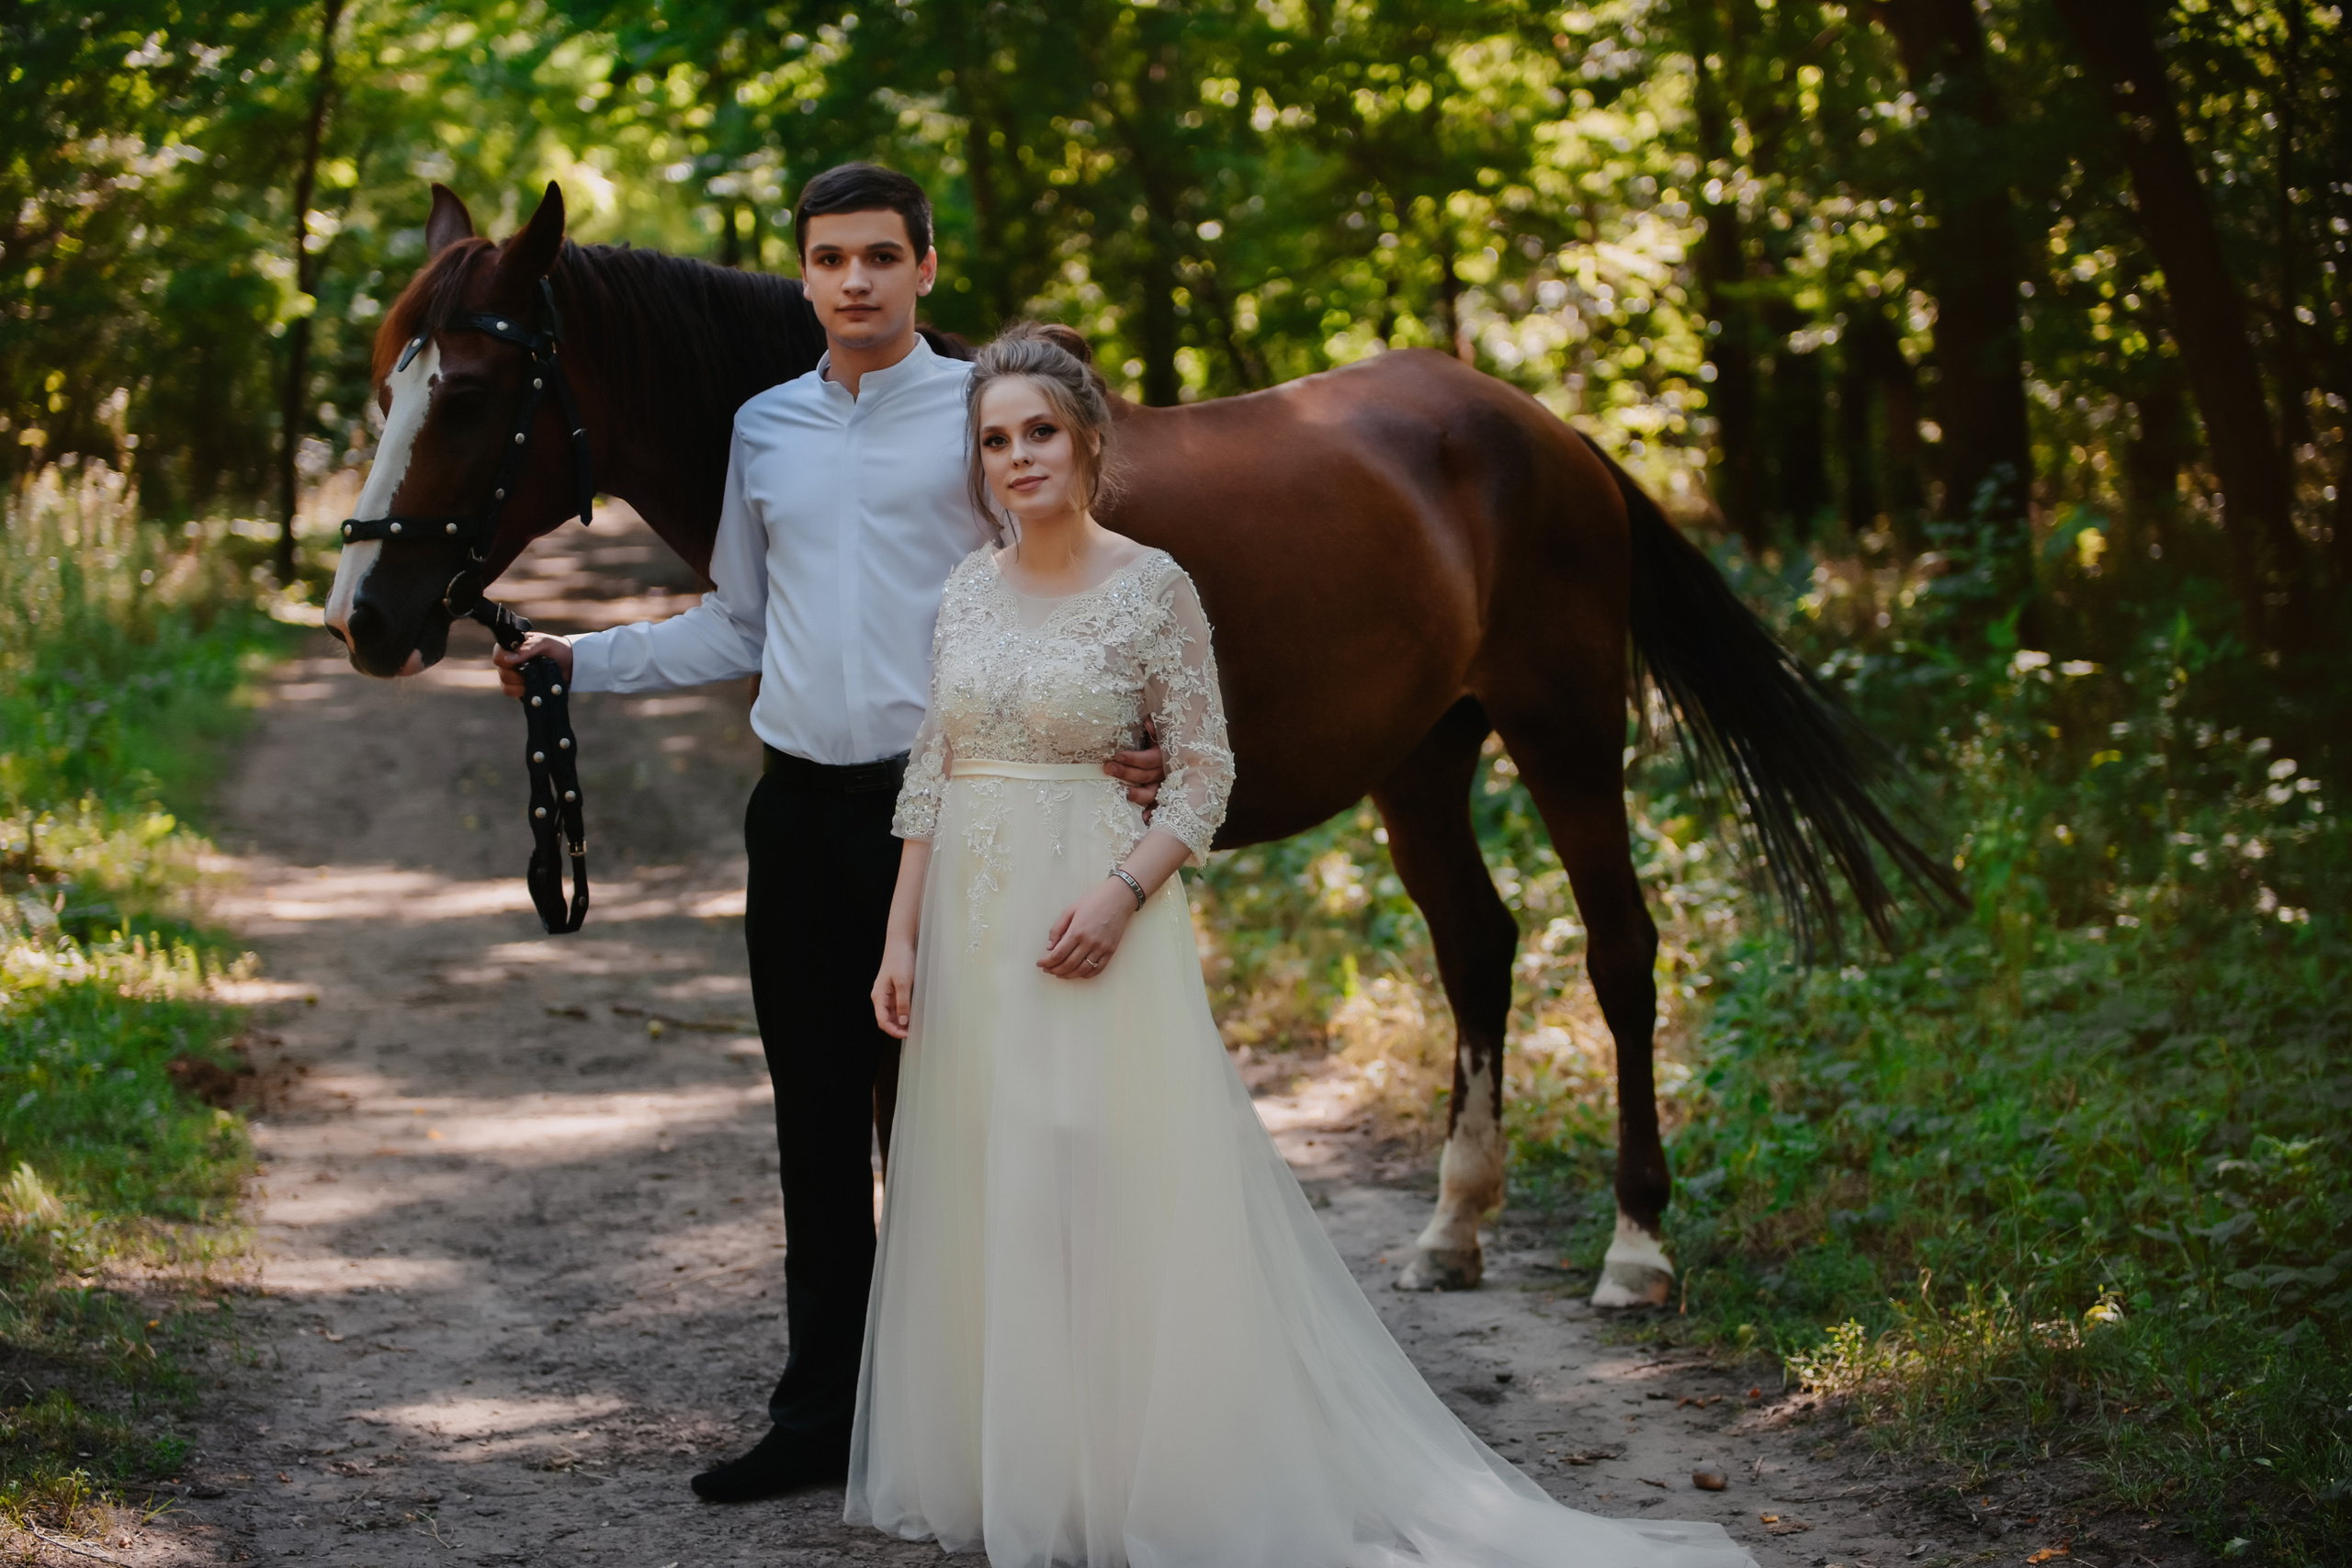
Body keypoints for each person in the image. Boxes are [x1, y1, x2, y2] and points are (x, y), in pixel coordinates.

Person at [850, 322, 1756, 1568]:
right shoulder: (965, 588)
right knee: (1006, 1172)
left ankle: (1157, 1461)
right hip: (976, 910)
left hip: (1094, 902)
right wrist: (901, 937)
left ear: (1088, 440)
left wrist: (1122, 893)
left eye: (1039, 434)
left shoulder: (1151, 585)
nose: (1017, 459)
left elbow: (1204, 769)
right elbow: (934, 768)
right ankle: (1035, 1460)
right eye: (995, 440)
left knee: (1106, 1160)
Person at [490, 165, 1163, 1504]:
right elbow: (740, 624)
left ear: (926, 267)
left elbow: (1066, 587)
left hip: (958, 824)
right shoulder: (765, 429)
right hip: (796, 813)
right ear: (800, 275)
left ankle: (992, 1418)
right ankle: (819, 1420)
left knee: (972, 1128)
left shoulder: (981, 420)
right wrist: (580, 660)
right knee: (815, 1123)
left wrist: (1130, 731)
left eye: (878, 256)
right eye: (826, 258)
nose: (852, 280)